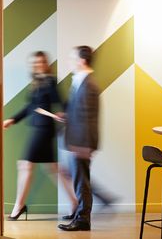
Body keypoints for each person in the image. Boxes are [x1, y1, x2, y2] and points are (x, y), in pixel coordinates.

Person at [3, 51, 77, 220]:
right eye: (35, 62)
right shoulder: (37, 82)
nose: (38, 65)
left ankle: (18, 207)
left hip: (44, 130)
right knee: (53, 168)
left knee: (25, 165)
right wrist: (13, 119)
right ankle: (75, 202)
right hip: (39, 128)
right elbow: (31, 107)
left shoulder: (49, 81)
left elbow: (61, 101)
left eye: (41, 62)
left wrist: (64, 114)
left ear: (46, 63)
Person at [58, 46, 99, 231]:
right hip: (78, 141)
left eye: (72, 58)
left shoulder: (89, 85)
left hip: (82, 143)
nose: (69, 61)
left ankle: (82, 220)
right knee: (80, 180)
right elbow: (79, 112)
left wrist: (85, 145)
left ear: (82, 61)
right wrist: (66, 115)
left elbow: (90, 117)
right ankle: (81, 217)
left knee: (82, 182)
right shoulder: (81, 81)